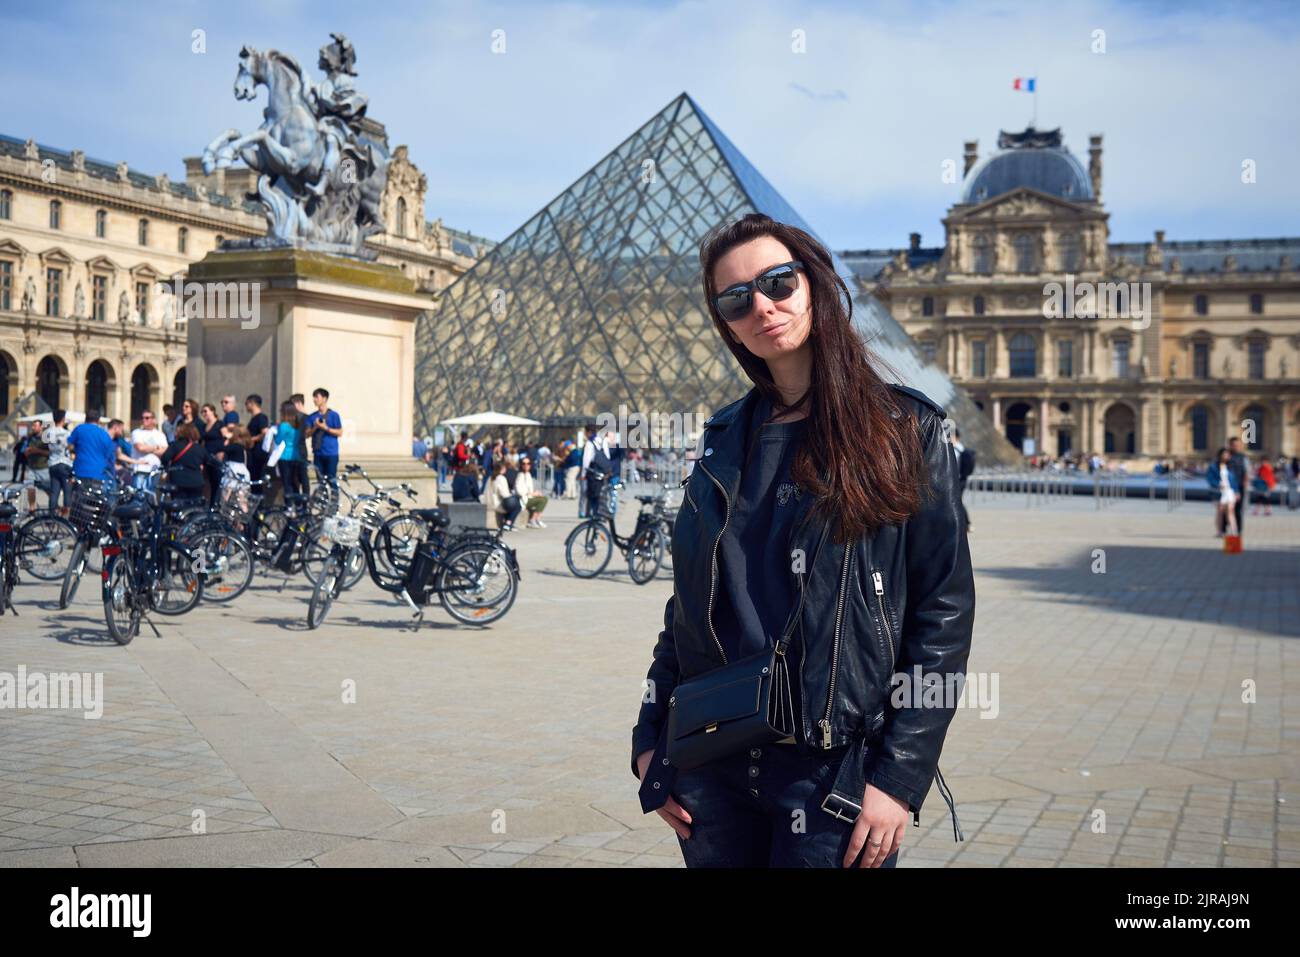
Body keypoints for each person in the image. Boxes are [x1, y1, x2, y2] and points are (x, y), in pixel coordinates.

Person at [632, 213, 974, 869]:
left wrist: (900, 777)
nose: (761, 306)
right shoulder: (724, 438)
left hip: (833, 774)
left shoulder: (906, 430)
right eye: (735, 299)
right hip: (711, 760)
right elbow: (686, 613)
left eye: (777, 282)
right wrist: (651, 738)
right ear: (725, 322)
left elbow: (943, 616)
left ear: (813, 283)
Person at [161, 423, 220, 499]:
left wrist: (168, 468)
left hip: (178, 481)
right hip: (196, 482)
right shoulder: (199, 448)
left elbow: (164, 459)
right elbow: (211, 462)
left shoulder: (175, 446)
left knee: (178, 506)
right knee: (194, 507)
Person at [304, 387, 343, 486]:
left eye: (317, 397)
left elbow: (340, 432)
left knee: (332, 480)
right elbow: (306, 434)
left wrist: (326, 428)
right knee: (320, 481)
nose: (314, 400)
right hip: (318, 453)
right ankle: (322, 500)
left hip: (331, 453)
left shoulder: (334, 415)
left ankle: (334, 501)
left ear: (324, 399)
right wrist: (315, 427)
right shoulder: (312, 417)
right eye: (314, 397)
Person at [129, 409, 169, 492]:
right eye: (142, 418)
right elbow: (140, 448)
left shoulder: (160, 435)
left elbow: (164, 451)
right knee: (139, 495)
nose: (144, 420)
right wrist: (156, 447)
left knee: (151, 496)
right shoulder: (137, 432)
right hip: (141, 469)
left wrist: (147, 448)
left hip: (155, 470)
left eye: (147, 418)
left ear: (153, 420)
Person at [273, 401, 306, 498]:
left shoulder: (284, 426)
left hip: (285, 456)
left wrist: (275, 431)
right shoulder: (297, 426)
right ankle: (298, 504)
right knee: (294, 482)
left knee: (287, 483)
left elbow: (278, 440)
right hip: (296, 456)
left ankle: (289, 505)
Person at [580, 426, 613, 519]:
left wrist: (583, 474)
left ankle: (592, 513)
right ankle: (600, 512)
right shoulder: (603, 442)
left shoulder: (590, 443)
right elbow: (607, 457)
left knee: (591, 494)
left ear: (587, 432)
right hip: (602, 472)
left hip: (592, 472)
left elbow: (586, 460)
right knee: (600, 493)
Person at [44, 410, 73, 516]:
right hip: (64, 463)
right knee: (67, 491)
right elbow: (70, 447)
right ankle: (65, 517)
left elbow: (49, 447)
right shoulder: (67, 433)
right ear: (63, 419)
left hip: (53, 463)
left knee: (54, 492)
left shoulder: (49, 432)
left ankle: (51, 517)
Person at [197, 403, 226, 505]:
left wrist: (222, 452)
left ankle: (215, 503)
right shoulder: (204, 426)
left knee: (216, 480)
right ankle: (207, 504)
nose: (204, 414)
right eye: (202, 412)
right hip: (206, 456)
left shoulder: (219, 424)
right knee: (206, 481)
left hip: (217, 455)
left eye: (206, 411)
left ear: (212, 411)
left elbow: (225, 437)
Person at [1207, 447, 1240, 536]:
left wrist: (1237, 491)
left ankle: (1234, 531)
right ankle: (1219, 531)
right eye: (1224, 454)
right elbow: (1210, 479)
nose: (1226, 456)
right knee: (1220, 512)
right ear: (1220, 455)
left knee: (1230, 511)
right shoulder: (1213, 466)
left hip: (1229, 491)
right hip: (1219, 491)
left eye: (1227, 454)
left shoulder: (1231, 467)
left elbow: (1234, 481)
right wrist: (1218, 484)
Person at [21, 420, 49, 511]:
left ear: (41, 427)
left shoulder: (46, 438)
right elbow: (23, 450)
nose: (33, 427)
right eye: (32, 426)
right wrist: (26, 452)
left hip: (44, 468)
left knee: (48, 489)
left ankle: (55, 506)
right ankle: (32, 508)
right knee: (30, 487)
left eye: (35, 426)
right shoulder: (29, 438)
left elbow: (51, 453)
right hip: (31, 468)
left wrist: (37, 451)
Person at [1223, 437, 1248, 538]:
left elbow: (1246, 471)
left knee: (1238, 509)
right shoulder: (1226, 455)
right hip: (1227, 486)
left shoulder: (1243, 457)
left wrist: (1245, 483)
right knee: (1226, 508)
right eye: (1233, 445)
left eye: (1237, 445)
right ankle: (1224, 529)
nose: (1235, 447)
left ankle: (1238, 530)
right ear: (1229, 445)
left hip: (1239, 486)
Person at [514, 456, 548, 528]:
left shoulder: (528, 474)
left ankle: (537, 519)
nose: (526, 465)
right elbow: (519, 491)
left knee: (543, 497)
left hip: (528, 497)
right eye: (524, 464)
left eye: (528, 463)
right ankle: (533, 519)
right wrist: (532, 493)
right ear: (521, 465)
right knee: (543, 500)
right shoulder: (520, 475)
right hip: (523, 499)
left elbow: (529, 489)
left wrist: (536, 493)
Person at [244, 394, 271, 484]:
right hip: (252, 452)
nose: (246, 406)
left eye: (247, 403)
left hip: (258, 452)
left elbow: (265, 432)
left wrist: (252, 439)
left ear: (252, 403)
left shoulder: (261, 417)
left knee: (256, 476)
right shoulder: (254, 418)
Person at [488, 461, 521, 531]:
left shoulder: (491, 477)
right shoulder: (501, 478)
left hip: (491, 499)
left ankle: (507, 522)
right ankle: (508, 523)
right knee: (517, 506)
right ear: (502, 469)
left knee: (512, 503)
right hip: (498, 502)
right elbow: (503, 494)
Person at [290, 394, 311, 497]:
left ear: (298, 404)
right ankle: (297, 500)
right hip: (292, 452)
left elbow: (306, 434)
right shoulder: (292, 418)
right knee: (294, 478)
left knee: (303, 478)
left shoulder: (306, 418)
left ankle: (306, 501)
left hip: (301, 451)